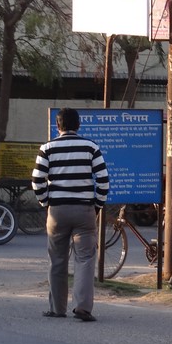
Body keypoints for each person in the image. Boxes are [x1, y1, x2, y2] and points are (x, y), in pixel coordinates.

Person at [32, 108, 109, 321]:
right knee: (85, 258)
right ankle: (82, 307)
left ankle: (57, 309)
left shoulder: (47, 148)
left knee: (57, 259)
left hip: (57, 211)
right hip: (84, 210)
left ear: (58, 126)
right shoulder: (91, 147)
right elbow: (103, 180)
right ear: (78, 125)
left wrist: (46, 202)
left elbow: (37, 180)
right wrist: (97, 206)